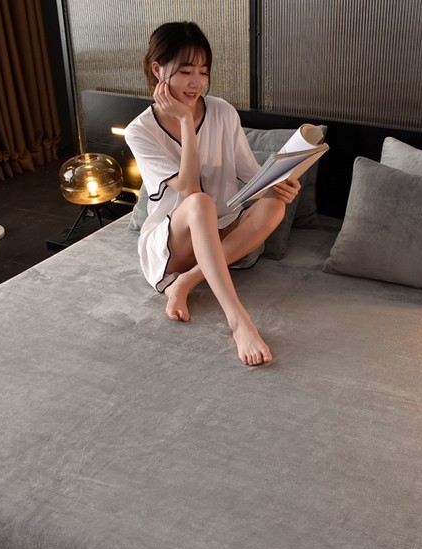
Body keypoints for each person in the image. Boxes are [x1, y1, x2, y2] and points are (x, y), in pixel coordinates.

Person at [125, 21, 300, 366]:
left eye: (203, 72)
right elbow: (191, 189)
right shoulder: (140, 131)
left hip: (219, 230)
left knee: (274, 207)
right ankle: (238, 320)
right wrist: (185, 122)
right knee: (200, 202)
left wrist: (279, 183)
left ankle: (187, 283)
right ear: (158, 70)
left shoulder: (222, 111)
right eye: (186, 71)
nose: (197, 83)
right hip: (173, 245)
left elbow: (250, 174)